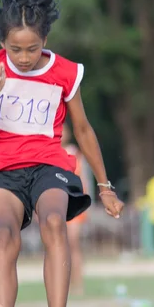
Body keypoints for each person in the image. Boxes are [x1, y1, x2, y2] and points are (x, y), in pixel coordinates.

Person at [0, 0, 123, 307]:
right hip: (1, 167)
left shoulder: (66, 73)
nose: (23, 57)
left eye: (32, 48)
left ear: (45, 39)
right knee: (4, 233)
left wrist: (105, 186)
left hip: (48, 163)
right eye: (15, 49)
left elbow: (82, 130)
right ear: (2, 43)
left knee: (54, 222)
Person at [61, 123, 91, 296]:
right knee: (58, 245)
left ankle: (78, 282)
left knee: (72, 243)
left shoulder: (74, 152)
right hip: (57, 204)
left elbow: (83, 178)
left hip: (73, 203)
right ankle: (63, 283)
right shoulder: (49, 153)